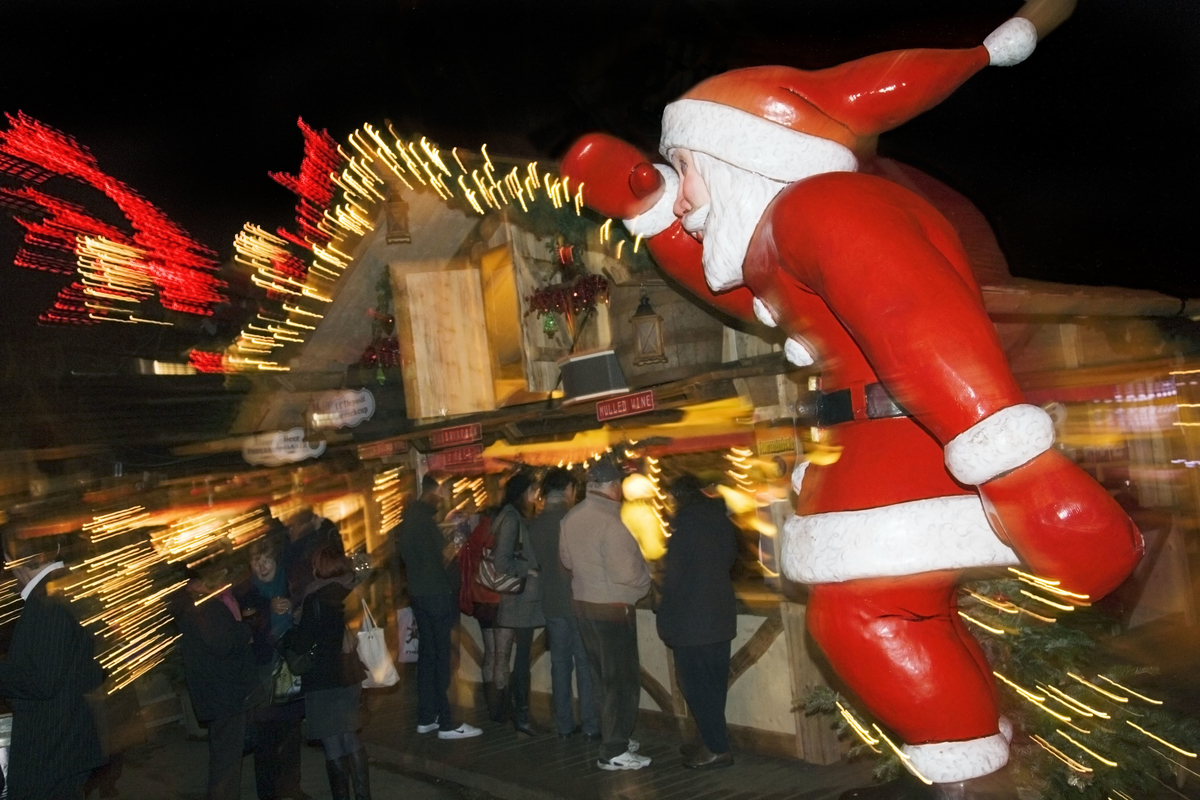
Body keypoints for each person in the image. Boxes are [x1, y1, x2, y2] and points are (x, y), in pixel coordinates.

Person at [560, 14, 1142, 795]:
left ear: (742, 161)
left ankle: (977, 778)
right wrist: (652, 211)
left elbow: (917, 322)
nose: (688, 192)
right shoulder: (792, 229)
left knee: (865, 616)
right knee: (897, 617)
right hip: (890, 451)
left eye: (688, 169)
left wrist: (1022, 469)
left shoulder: (825, 209)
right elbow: (731, 280)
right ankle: (983, 765)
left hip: (906, 450)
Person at [559, 458, 651, 771]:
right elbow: (626, 572)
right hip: (613, 609)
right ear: (612, 487)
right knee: (622, 681)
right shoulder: (612, 522)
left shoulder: (571, 518)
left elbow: (567, 561)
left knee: (601, 679)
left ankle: (616, 737)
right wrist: (646, 580)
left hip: (584, 606)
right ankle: (614, 750)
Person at [0, 533, 105, 800]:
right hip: (70, 740)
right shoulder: (71, 584)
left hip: (51, 748)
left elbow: (40, 681)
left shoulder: (47, 601)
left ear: (11, 561)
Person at [656, 474, 738, 769]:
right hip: (720, 615)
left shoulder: (684, 526)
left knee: (696, 687)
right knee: (714, 686)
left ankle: (717, 748)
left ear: (679, 497)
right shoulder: (721, 521)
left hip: (692, 621)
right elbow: (729, 559)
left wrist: (662, 596)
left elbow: (674, 576)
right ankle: (708, 739)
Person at [394, 475, 481, 740]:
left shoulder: (408, 520)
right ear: (436, 490)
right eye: (444, 492)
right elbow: (445, 555)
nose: (445, 499)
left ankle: (426, 717)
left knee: (428, 656)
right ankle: (448, 722)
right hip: (438, 595)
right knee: (445, 658)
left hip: (420, 595)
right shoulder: (423, 521)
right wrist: (462, 534)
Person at [280, 544, 369, 800]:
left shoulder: (315, 598)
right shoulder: (351, 591)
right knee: (349, 736)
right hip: (350, 674)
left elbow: (302, 643)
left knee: (332, 743)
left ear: (320, 569)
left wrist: (289, 632)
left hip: (323, 680)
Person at [526, 468, 599, 741]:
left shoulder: (534, 524)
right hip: (579, 600)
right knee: (584, 664)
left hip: (552, 603)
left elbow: (533, 564)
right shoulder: (577, 520)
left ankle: (565, 725)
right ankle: (591, 725)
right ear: (569, 489)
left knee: (559, 664)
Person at [172, 566, 255, 800]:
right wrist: (245, 627)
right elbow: (223, 644)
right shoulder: (209, 607)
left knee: (223, 757)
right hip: (225, 693)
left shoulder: (190, 607)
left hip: (213, 692)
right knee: (226, 763)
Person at [238, 534, 307, 800]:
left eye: (266, 560)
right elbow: (246, 625)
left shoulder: (291, 584)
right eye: (257, 561)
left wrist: (297, 613)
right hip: (264, 674)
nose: (263, 566)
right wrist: (268, 609)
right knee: (265, 737)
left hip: (290, 670)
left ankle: (292, 787)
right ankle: (268, 793)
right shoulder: (248, 592)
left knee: (291, 734)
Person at [492, 472, 546, 736]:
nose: (536, 496)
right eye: (533, 491)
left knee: (520, 658)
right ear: (524, 492)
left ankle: (517, 712)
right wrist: (530, 569)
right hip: (520, 600)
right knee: (521, 660)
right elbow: (501, 562)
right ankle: (522, 715)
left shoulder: (512, 516)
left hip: (522, 600)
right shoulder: (512, 518)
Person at [457, 508, 514, 723]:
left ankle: (491, 706)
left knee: (490, 652)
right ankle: (501, 708)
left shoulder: (477, 531)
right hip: (500, 601)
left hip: (480, 600)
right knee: (502, 656)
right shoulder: (501, 532)